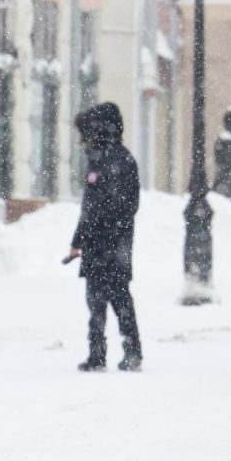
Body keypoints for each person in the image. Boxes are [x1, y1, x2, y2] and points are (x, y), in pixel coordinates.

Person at [67, 101, 142, 372]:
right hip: (113, 242)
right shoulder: (118, 159)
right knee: (113, 298)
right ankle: (125, 352)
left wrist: (83, 237)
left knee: (103, 299)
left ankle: (102, 354)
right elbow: (105, 205)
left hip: (104, 243)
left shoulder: (107, 161)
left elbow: (96, 206)